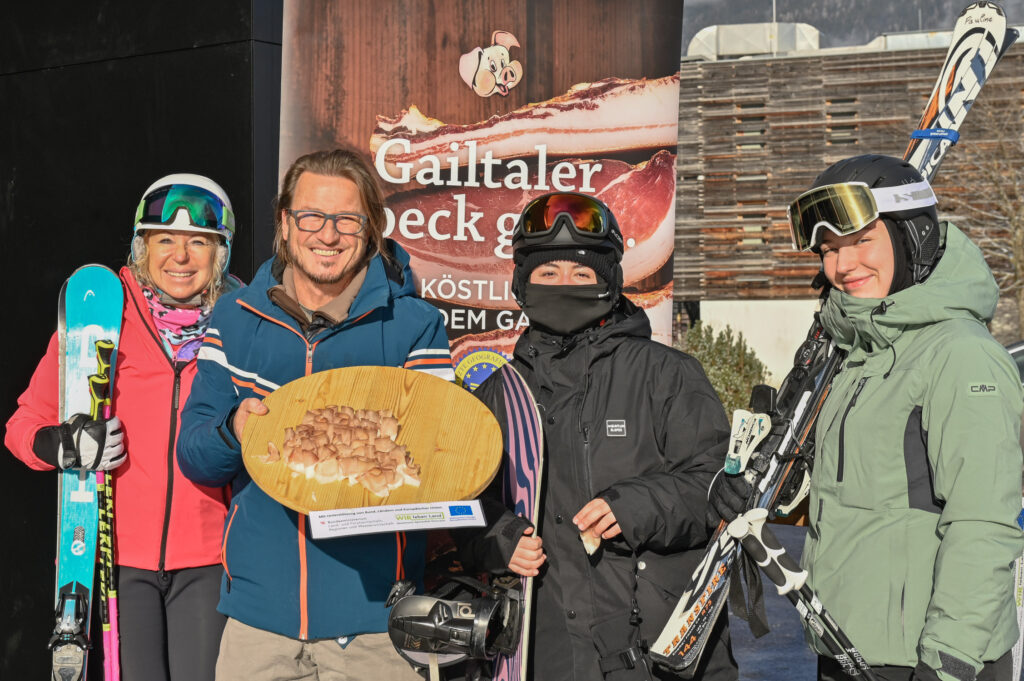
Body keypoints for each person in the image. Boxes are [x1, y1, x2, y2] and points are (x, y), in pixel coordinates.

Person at [710, 154, 1024, 681]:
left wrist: (947, 662)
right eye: (829, 250)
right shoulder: (856, 355)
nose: (842, 264)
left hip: (931, 660)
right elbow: (848, 492)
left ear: (912, 238)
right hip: (846, 646)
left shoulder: (958, 354)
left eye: (861, 241)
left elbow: (982, 522)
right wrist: (753, 490)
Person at [176, 148, 454, 681]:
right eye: (311, 217)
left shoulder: (413, 325)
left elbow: (436, 462)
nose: (327, 236)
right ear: (285, 222)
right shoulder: (235, 320)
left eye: (346, 220)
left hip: (377, 627)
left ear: (370, 227)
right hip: (259, 626)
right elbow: (195, 456)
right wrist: (234, 429)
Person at [457, 192, 738, 681]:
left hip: (647, 646)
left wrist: (635, 506)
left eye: (581, 274)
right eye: (548, 273)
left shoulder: (666, 375)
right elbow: (460, 505)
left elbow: (719, 488)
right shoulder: (498, 395)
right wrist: (499, 538)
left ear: (608, 282)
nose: (564, 284)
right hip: (537, 648)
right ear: (523, 284)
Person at [5, 173, 240, 681]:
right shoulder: (105, 317)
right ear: (142, 247)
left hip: (209, 556)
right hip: (118, 559)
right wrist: (61, 442)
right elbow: (23, 426)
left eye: (199, 241)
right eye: (165, 240)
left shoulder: (240, 324)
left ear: (219, 253)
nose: (181, 256)